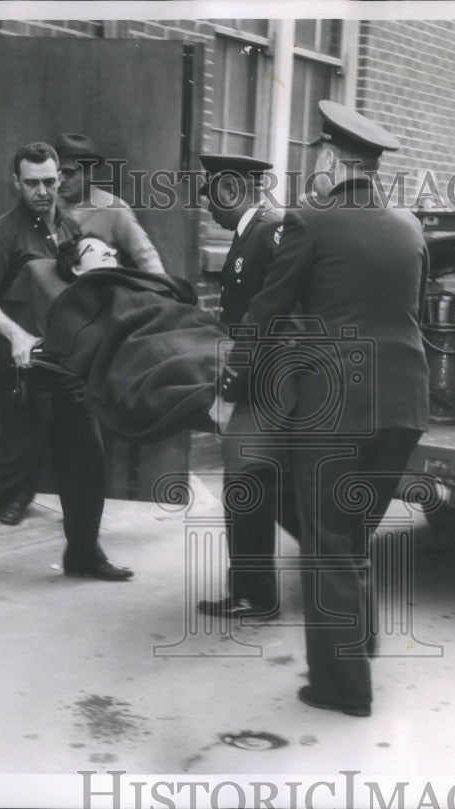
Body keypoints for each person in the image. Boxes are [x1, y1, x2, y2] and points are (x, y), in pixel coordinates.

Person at [211, 101, 430, 717]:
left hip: (337, 408)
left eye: (317, 158)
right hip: (405, 405)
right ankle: (358, 642)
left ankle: (341, 689)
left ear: (332, 159)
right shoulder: (410, 226)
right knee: (353, 534)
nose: (314, 169)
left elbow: (268, 311)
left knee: (329, 542)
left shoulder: (312, 221)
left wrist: (234, 383)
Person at [0, 141, 133, 585]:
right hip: (15, 364)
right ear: (15, 182)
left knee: (87, 456)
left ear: (59, 178)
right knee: (20, 455)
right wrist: (15, 332)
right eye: (32, 183)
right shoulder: (2, 233)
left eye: (49, 181)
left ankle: (83, 554)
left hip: (62, 363)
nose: (42, 191)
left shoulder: (70, 228)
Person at [195, 154, 300, 620]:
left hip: (268, 382)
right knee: (262, 484)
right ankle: (330, 559)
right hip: (265, 378)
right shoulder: (256, 232)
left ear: (233, 190)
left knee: (246, 483)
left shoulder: (268, 232)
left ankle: (255, 596)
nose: (204, 200)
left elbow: (265, 324)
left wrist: (228, 393)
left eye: (211, 190)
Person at [55, 133, 166, 275]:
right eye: (57, 172)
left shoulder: (113, 208)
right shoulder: (51, 206)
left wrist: (164, 290)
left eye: (68, 173)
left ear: (89, 173)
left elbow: (146, 256)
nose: (61, 180)